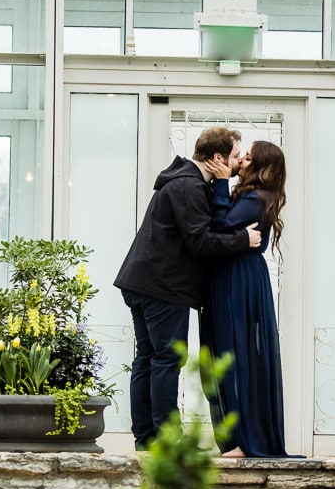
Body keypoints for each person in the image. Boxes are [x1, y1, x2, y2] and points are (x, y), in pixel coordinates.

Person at [115, 127, 261, 449]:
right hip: (162, 287)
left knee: (149, 359)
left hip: (143, 282)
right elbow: (199, 241)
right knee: (166, 360)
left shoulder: (182, 180)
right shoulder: (189, 185)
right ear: (218, 157)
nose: (238, 163)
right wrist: (243, 239)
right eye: (236, 156)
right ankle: (167, 441)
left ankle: (147, 439)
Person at [202, 140, 289, 458]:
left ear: (260, 166)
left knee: (238, 353)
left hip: (240, 278)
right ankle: (239, 439)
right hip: (232, 274)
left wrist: (222, 181)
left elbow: (221, 224)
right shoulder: (250, 195)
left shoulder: (256, 198)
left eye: (247, 157)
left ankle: (246, 441)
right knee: (230, 352)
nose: (240, 161)